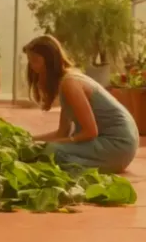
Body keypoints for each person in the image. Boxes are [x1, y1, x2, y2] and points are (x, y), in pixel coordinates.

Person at [23, 35, 139, 173]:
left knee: (51, 152)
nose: (32, 67)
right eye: (30, 61)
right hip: (116, 147)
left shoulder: (70, 83)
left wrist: (50, 145)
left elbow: (90, 132)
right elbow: (62, 132)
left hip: (117, 146)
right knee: (45, 150)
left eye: (35, 61)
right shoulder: (65, 83)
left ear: (50, 60)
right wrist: (28, 139)